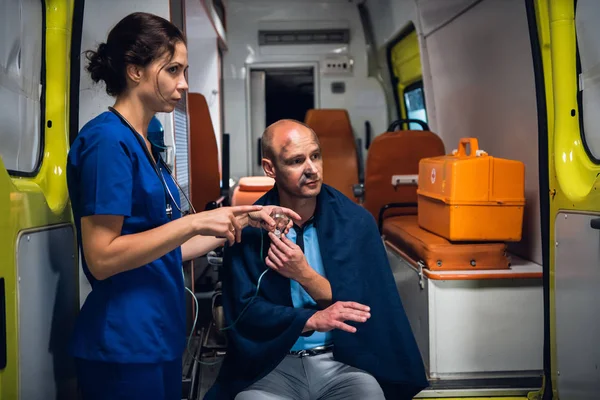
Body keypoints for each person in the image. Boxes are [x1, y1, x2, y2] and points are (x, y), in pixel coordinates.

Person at [66, 13, 299, 399]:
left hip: (158, 335)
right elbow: (102, 257)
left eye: (184, 70)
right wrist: (195, 223)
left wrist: (243, 218)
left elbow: (164, 249)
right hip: (124, 344)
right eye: (173, 70)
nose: (184, 83)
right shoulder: (108, 143)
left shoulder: (143, 141)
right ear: (135, 71)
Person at [205, 120, 428, 400]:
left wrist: (303, 274)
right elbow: (243, 312)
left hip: (343, 362)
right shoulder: (249, 228)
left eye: (315, 156)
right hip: (271, 365)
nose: (311, 169)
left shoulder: (356, 223)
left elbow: (366, 310)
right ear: (270, 168)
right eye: (297, 161)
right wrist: (310, 319)